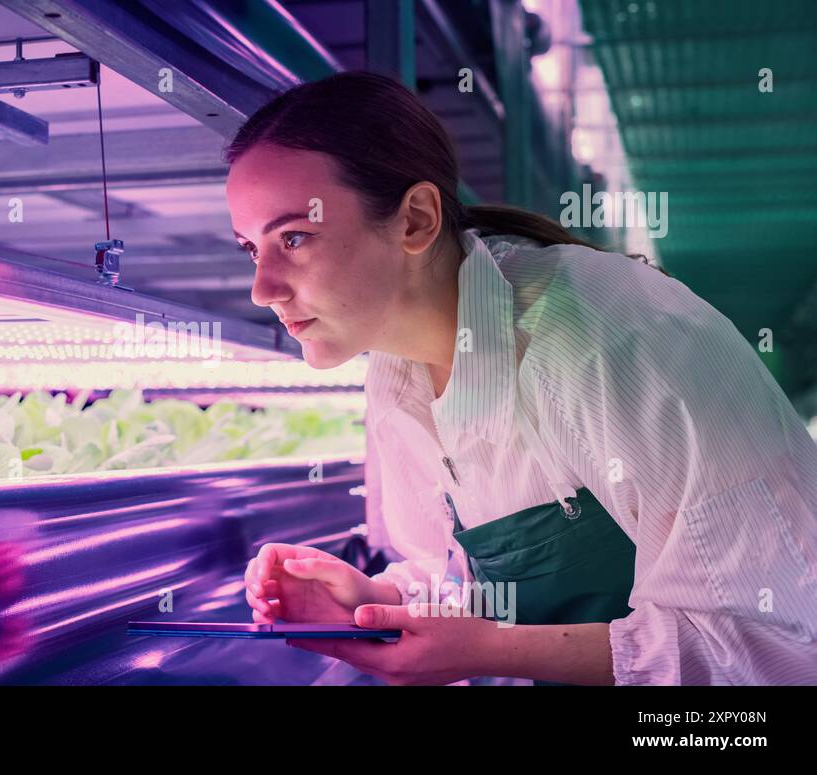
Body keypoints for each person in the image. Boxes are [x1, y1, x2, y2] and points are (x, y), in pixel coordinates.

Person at [230, 71, 817, 685]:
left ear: (416, 220)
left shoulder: (608, 339)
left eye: (294, 237)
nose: (261, 287)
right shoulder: (397, 376)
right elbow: (473, 582)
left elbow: (774, 649)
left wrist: (489, 653)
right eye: (250, 248)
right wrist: (379, 600)